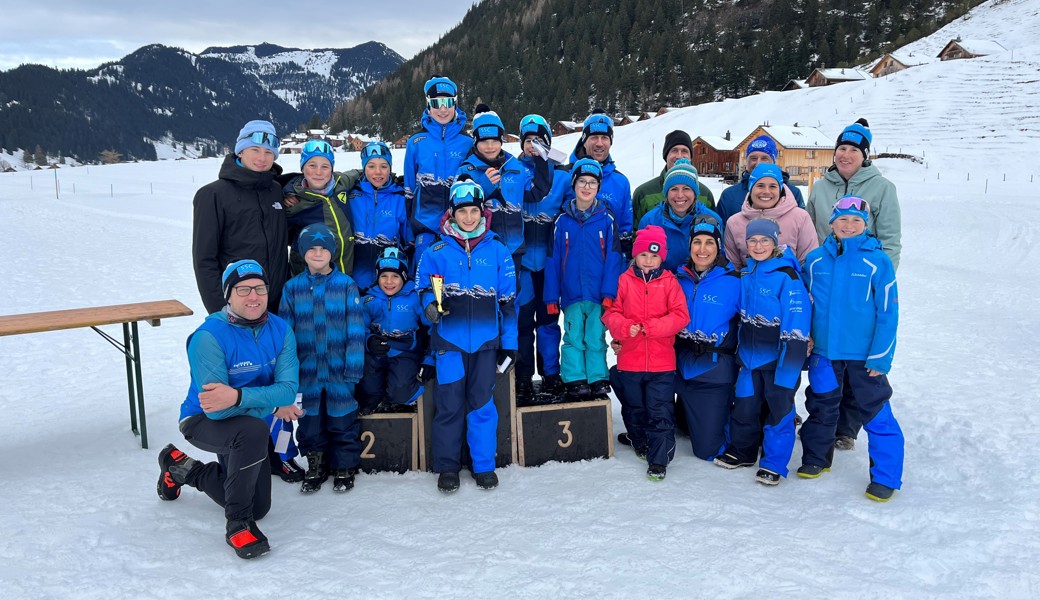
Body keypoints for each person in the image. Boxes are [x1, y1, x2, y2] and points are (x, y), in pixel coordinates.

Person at [157, 259, 301, 560]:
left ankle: (182, 468)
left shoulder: (281, 329)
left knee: (260, 506)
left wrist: (238, 396)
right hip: (202, 420)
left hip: (246, 426)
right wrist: (270, 401)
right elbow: (218, 410)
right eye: (244, 289)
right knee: (253, 431)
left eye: (260, 288)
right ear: (229, 295)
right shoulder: (208, 337)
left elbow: (289, 390)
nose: (254, 296)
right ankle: (238, 524)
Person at [805, 118, 903, 451]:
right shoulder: (820, 187)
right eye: (841, 149)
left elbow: (890, 239)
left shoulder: (882, 188)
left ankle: (847, 427)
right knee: (830, 359)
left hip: (863, 283)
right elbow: (811, 231)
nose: (846, 155)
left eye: (853, 150)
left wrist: (880, 281)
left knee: (857, 361)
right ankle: (825, 423)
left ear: (865, 155)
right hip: (826, 278)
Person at [799, 197, 904, 501]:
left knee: (876, 412)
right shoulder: (816, 260)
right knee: (821, 405)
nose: (848, 226)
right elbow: (804, 303)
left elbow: (888, 312)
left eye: (855, 221)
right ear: (831, 224)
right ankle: (816, 457)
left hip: (864, 356)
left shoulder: (877, 261)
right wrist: (805, 335)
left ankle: (885, 476)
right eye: (842, 220)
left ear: (865, 225)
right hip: (824, 353)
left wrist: (881, 357)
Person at [415, 180, 517, 493]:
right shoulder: (436, 251)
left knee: (482, 406)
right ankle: (447, 467)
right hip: (449, 346)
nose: (469, 217)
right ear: (453, 214)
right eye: (463, 211)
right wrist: (429, 308)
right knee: (449, 407)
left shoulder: (498, 250)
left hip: (486, 345)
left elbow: (508, 302)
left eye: (474, 210)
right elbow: (423, 292)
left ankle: (483, 465)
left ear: (482, 212)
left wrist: (510, 344)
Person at [714, 219, 810, 487]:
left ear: (775, 243)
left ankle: (773, 462)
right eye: (753, 241)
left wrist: (790, 365)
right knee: (744, 407)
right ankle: (743, 451)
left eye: (764, 241)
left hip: (779, 360)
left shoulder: (786, 276)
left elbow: (797, 323)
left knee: (779, 410)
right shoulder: (746, 274)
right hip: (748, 359)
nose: (758, 246)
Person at [279, 223, 365, 493]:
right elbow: (285, 336)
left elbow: (356, 330)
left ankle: (344, 465)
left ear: (332, 252)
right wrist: (288, 376)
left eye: (323, 248)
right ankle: (316, 463)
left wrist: (353, 368)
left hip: (340, 370)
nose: (317, 253)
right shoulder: (292, 289)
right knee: (309, 421)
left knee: (342, 419)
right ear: (302, 253)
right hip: (307, 372)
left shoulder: (346, 285)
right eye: (311, 249)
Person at [602, 226, 690, 481]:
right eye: (643, 256)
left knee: (660, 411)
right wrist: (622, 327)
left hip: (662, 363)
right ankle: (639, 440)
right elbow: (610, 312)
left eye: (654, 256)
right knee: (634, 407)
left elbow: (680, 316)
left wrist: (651, 328)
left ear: (662, 257)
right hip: (630, 360)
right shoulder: (623, 281)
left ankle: (659, 459)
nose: (649, 261)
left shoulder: (670, 282)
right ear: (635, 256)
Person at [543, 158, 624, 399]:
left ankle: (598, 377)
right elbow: (553, 260)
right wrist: (551, 296)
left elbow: (614, 258)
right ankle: (575, 377)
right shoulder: (562, 221)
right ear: (574, 184)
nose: (586, 187)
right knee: (573, 335)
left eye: (592, 183)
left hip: (599, 294)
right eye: (582, 182)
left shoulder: (607, 219)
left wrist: (610, 293)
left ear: (598, 187)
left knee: (596, 337)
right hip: (571, 293)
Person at [192, 120, 290, 315]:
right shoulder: (213, 195)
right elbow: (204, 260)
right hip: (238, 307)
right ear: (240, 151)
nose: (262, 158)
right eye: (255, 149)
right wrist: (220, 310)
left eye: (269, 152)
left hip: (278, 306)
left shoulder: (276, 191)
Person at [675, 220, 741, 461]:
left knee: (707, 450)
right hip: (678, 364)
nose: (702, 249)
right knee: (625, 375)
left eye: (709, 243)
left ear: (719, 246)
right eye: (697, 242)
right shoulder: (678, 277)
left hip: (713, 371)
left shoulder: (734, 281)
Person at [516, 114, 569, 399]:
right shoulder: (513, 172)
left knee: (549, 322)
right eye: (527, 141)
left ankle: (551, 373)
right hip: (522, 264)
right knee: (523, 323)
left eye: (538, 141)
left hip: (549, 264)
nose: (532, 147)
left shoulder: (561, 176)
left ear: (547, 143)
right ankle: (523, 375)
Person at [404, 75, 473, 274]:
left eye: (448, 102)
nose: (442, 109)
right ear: (428, 105)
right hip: (425, 226)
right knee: (425, 281)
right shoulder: (416, 142)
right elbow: (409, 189)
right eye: (436, 103)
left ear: (455, 103)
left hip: (460, 227)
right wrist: (409, 229)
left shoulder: (467, 143)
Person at [358, 247, 428, 413]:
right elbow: (357, 329)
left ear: (404, 276)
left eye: (395, 276)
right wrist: (368, 342)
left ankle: (400, 398)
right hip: (377, 353)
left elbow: (431, 328)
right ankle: (375, 401)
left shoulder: (415, 298)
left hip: (405, 352)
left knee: (400, 392)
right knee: (368, 391)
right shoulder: (368, 299)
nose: (389, 282)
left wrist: (429, 359)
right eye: (384, 276)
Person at [456, 104, 525, 263]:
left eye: (494, 141)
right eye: (484, 141)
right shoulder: (466, 170)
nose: (489, 147)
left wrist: (543, 165)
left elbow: (535, 194)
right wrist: (484, 187)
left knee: (514, 288)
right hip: (481, 249)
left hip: (514, 248)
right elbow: (457, 208)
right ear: (475, 141)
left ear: (501, 140)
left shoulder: (515, 166)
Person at [281, 139, 359, 278]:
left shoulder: (340, 182)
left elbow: (360, 173)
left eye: (325, 166)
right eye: (312, 165)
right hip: (311, 281)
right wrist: (284, 195)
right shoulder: (295, 202)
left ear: (332, 169)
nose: (318, 172)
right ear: (302, 168)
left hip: (346, 275)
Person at [723, 163, 818, 269]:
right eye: (760, 186)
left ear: (780, 189)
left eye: (773, 186)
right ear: (751, 188)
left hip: (790, 283)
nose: (766, 192)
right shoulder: (734, 222)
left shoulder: (800, 217)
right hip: (748, 284)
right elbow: (732, 267)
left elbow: (808, 262)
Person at [346, 141, 412, 292]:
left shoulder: (399, 197)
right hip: (355, 280)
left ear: (390, 168)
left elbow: (407, 240)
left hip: (389, 281)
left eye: (384, 166)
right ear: (364, 168)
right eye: (371, 166)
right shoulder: (351, 195)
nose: (378, 172)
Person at [637, 158, 724, 272]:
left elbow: (718, 257)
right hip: (661, 286)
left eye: (686, 189)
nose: (680, 195)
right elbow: (641, 259)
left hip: (697, 285)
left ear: (695, 193)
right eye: (674, 189)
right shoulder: (650, 220)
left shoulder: (711, 220)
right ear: (666, 193)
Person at [568, 109, 634, 250]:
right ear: (584, 140)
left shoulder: (621, 182)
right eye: (594, 137)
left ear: (610, 142)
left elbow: (625, 231)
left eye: (604, 138)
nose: (599, 143)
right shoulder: (564, 175)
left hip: (607, 263)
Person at [717, 134, 805, 226]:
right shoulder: (730, 195)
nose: (758, 163)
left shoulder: (792, 193)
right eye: (753, 158)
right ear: (746, 162)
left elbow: (801, 228)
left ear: (773, 161)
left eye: (764, 158)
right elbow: (721, 233)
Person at [632, 130, 717, 224]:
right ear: (666, 156)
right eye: (674, 150)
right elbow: (635, 232)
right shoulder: (644, 193)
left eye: (685, 151)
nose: (679, 156)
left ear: (690, 157)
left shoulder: (705, 194)